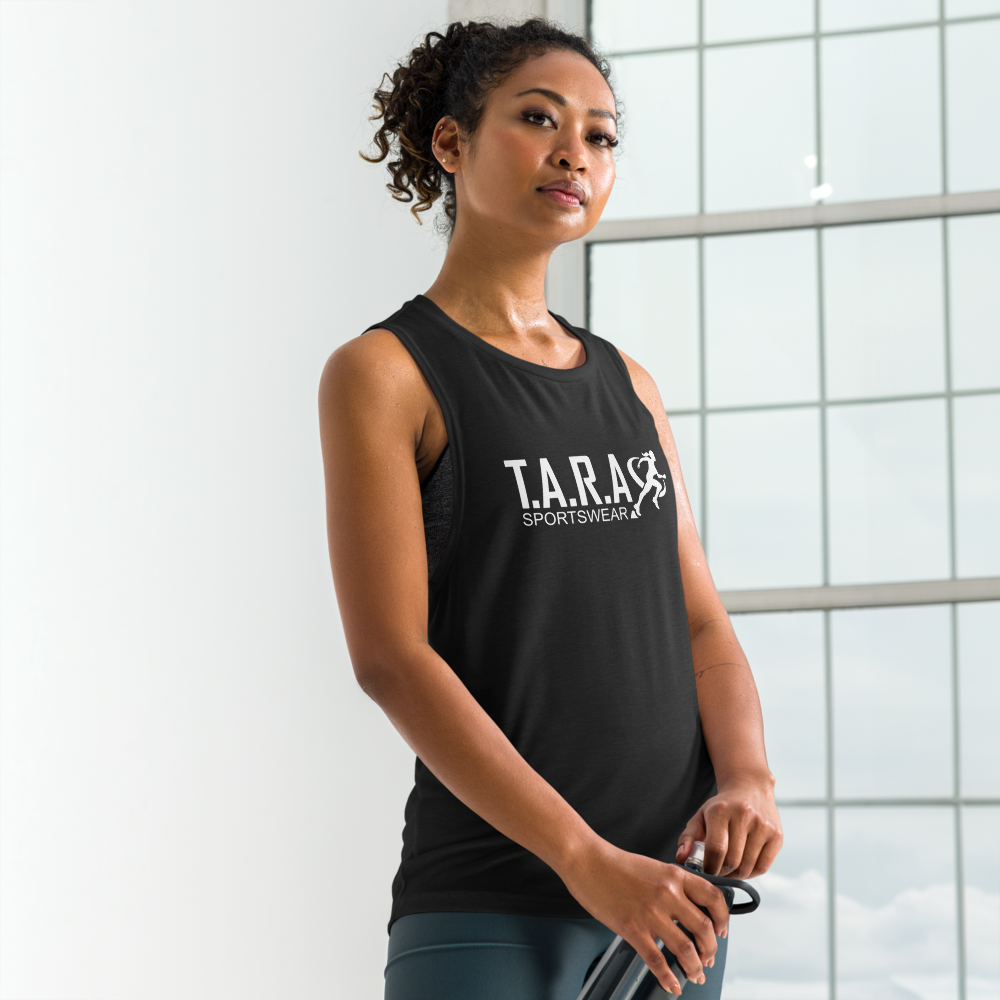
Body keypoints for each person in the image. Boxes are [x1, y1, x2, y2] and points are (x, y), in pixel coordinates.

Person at [318, 17, 782, 1000]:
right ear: (452, 143)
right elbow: (391, 659)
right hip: (492, 904)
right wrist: (583, 858)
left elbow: (699, 620)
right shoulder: (387, 374)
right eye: (539, 119)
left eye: (602, 134)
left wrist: (748, 778)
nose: (576, 151)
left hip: (671, 906)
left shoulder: (630, 384)